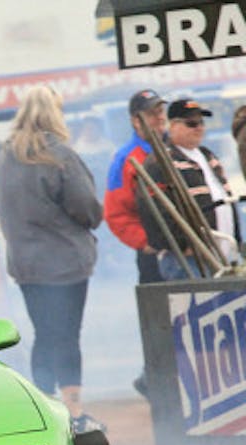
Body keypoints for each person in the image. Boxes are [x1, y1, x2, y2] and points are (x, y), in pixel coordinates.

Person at [0, 86, 105, 434]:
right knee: (68, 335)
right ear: (54, 113)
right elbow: (88, 210)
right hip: (65, 263)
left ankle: (43, 407)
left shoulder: (2, 159)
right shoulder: (59, 156)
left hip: (26, 264)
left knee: (43, 334)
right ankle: (74, 412)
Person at [105, 88, 169, 396]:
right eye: (152, 112)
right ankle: (152, 379)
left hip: (185, 249)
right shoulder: (126, 159)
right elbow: (115, 214)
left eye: (161, 111)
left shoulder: (174, 148)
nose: (159, 117)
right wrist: (146, 243)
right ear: (136, 121)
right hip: (154, 254)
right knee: (158, 320)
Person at [141, 98, 241, 281]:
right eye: (191, 123)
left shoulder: (207, 155)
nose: (199, 127)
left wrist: (237, 240)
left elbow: (225, 199)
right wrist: (182, 244)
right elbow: (153, 211)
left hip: (223, 256)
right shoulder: (160, 161)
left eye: (201, 122)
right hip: (189, 260)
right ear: (173, 125)